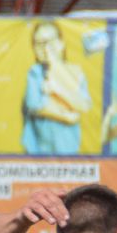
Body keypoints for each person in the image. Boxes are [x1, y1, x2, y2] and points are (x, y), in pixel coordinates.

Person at [22, 21, 93, 155]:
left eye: (49, 41)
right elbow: (35, 105)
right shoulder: (35, 72)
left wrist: (57, 89)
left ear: (61, 43)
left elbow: (83, 105)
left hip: (68, 149)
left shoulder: (75, 72)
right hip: (38, 151)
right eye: (39, 43)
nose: (45, 47)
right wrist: (67, 116)